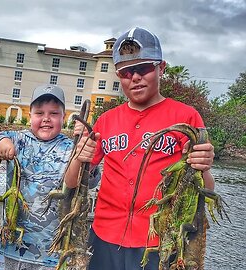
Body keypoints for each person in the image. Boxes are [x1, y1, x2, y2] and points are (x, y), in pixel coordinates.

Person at [74, 27, 216, 270]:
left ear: (161, 68)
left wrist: (203, 167)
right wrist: (78, 157)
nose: (135, 77)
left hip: (159, 241)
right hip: (105, 235)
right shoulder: (106, 120)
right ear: (119, 75)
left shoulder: (186, 117)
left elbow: (206, 191)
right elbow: (74, 182)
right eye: (126, 72)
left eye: (144, 68)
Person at [0, 84, 97, 270]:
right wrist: (1, 141)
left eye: (54, 113)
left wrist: (85, 153)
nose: (46, 119)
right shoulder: (17, 139)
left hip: (57, 254)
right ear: (29, 116)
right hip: (16, 248)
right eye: (39, 113)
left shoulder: (71, 148)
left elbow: (91, 181)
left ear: (65, 118)